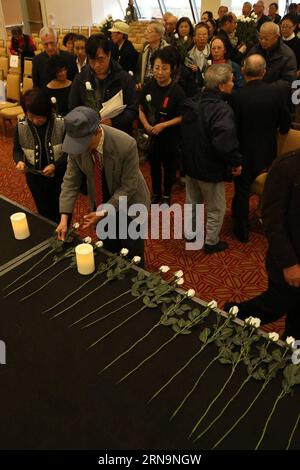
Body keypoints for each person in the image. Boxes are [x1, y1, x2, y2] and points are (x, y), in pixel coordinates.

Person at [56, 106, 150, 265]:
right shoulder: (76, 145)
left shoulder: (126, 144)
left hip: (130, 203)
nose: (78, 148)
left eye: (82, 143)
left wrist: (104, 211)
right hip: (100, 198)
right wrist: (64, 218)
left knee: (132, 252)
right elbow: (70, 180)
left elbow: (128, 187)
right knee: (108, 248)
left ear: (97, 132)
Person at [224, 149, 300, 339]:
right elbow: (272, 221)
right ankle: (231, 314)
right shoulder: (286, 167)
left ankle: (291, 354)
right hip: (289, 260)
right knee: (274, 306)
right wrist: (289, 263)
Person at [182, 64, 242, 254]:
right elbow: (224, 143)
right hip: (210, 166)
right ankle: (211, 241)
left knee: (193, 201)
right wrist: (235, 161)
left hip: (190, 163)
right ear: (222, 85)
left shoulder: (193, 101)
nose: (233, 83)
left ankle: (191, 233)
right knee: (216, 208)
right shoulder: (222, 110)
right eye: (231, 80)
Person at [231, 54, 290, 242]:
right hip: (269, 153)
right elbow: (285, 125)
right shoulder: (276, 93)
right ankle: (271, 224)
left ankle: (242, 229)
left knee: (242, 191)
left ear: (243, 71)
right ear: (264, 72)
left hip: (244, 152)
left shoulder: (237, 96)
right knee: (271, 189)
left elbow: (232, 128)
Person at [139, 47, 185, 204]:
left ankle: (166, 195)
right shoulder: (149, 86)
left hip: (170, 137)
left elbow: (182, 117)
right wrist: (145, 124)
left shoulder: (177, 90)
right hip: (153, 136)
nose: (159, 72)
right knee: (154, 168)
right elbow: (140, 108)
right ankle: (156, 193)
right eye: (156, 68)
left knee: (169, 168)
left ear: (171, 69)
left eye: (164, 68)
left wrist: (164, 125)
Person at [13, 89, 67, 223]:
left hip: (59, 177)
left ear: (47, 112)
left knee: (61, 210)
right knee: (42, 210)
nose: (35, 121)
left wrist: (55, 165)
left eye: (39, 117)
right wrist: (19, 161)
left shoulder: (61, 123)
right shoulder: (21, 125)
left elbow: (69, 152)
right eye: (30, 116)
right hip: (34, 177)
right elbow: (17, 150)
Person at [69, 34, 138, 135]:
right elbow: (73, 107)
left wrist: (113, 121)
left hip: (118, 133)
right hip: (91, 133)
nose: (97, 65)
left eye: (100, 59)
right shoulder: (81, 78)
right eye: (92, 60)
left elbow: (133, 109)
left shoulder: (123, 78)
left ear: (109, 54)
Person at [248, 21, 297, 95]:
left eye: (266, 39)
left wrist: (266, 88)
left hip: (276, 96)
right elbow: (246, 66)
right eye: (260, 38)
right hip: (255, 90)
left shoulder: (287, 55)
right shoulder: (256, 49)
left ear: (277, 37)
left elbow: (288, 82)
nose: (262, 41)